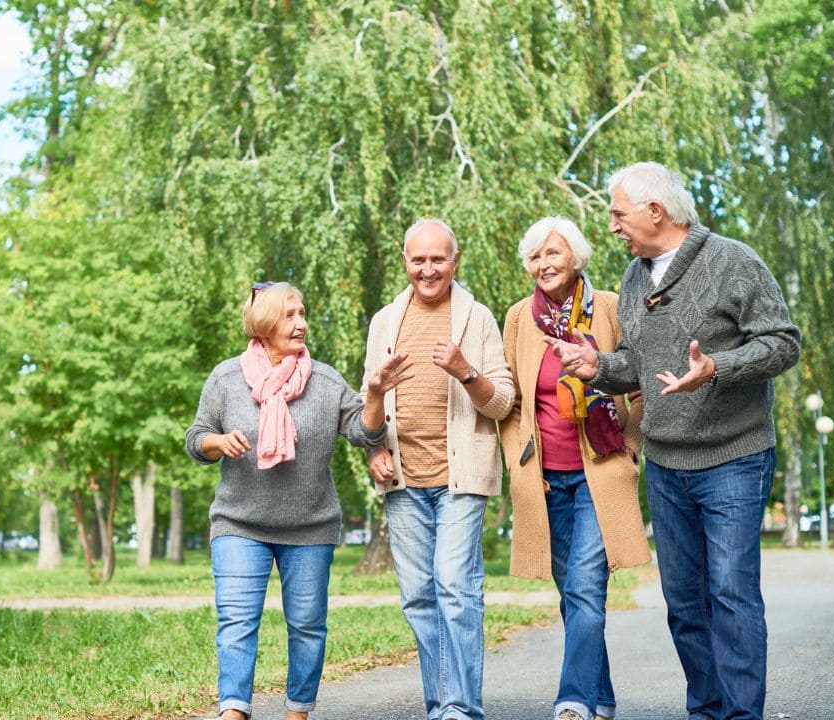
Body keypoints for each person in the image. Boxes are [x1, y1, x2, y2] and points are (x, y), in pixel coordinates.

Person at [543, 163, 801, 720]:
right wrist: (599, 366)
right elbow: (640, 364)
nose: (612, 226)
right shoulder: (635, 278)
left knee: (731, 597)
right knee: (684, 604)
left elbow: (783, 344)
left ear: (654, 212)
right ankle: (706, 711)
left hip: (733, 456)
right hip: (666, 463)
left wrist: (717, 368)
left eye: (618, 214)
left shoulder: (733, 262)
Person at [185, 281, 412, 720]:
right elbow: (195, 439)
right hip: (239, 523)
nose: (302, 323)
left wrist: (377, 393)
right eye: (290, 315)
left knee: (307, 626)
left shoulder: (325, 382)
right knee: (236, 623)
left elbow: (364, 432)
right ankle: (233, 709)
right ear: (265, 323)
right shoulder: (226, 378)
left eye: (303, 314)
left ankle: (297, 711)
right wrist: (218, 441)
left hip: (310, 527)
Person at [362, 218, 515, 720]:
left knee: (455, 586)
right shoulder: (385, 321)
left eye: (438, 259)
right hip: (403, 481)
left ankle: (459, 708)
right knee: (419, 598)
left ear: (455, 260)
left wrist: (465, 371)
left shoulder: (477, 319)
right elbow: (369, 410)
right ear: (406, 260)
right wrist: (373, 450)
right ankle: (442, 704)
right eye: (418, 259)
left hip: (460, 477)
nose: (428, 269)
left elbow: (503, 403)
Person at [500, 216, 651, 720]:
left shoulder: (608, 308)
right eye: (536, 256)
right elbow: (514, 401)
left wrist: (631, 443)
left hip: (599, 471)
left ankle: (574, 702)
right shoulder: (520, 318)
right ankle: (602, 696)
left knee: (586, 587)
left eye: (553, 253)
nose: (543, 263)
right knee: (572, 596)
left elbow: (640, 383)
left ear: (576, 257)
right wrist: (517, 460)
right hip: (545, 477)